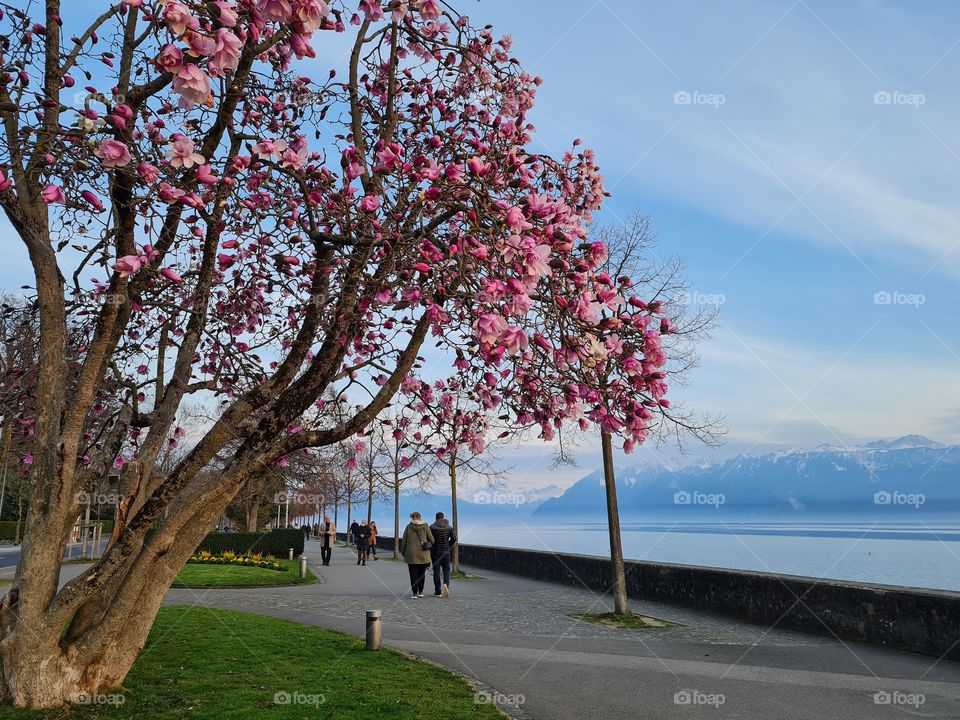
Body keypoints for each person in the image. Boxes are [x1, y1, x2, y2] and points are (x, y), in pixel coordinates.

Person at [400, 511, 434, 598]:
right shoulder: (425, 526)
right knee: (421, 574)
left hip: (411, 554)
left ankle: (414, 593)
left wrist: (404, 553)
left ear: (412, 518)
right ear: (420, 517)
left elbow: (404, 541)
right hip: (423, 554)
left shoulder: (408, 527)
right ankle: (421, 592)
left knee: (413, 574)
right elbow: (432, 540)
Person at [429, 512, 457, 597]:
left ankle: (438, 591)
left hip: (435, 552)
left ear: (436, 518)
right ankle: (446, 585)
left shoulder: (432, 527)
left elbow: (429, 539)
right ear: (443, 517)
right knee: (446, 570)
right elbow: (454, 538)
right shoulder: (449, 527)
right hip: (446, 552)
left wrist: (432, 547)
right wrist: (449, 544)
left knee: (436, 571)